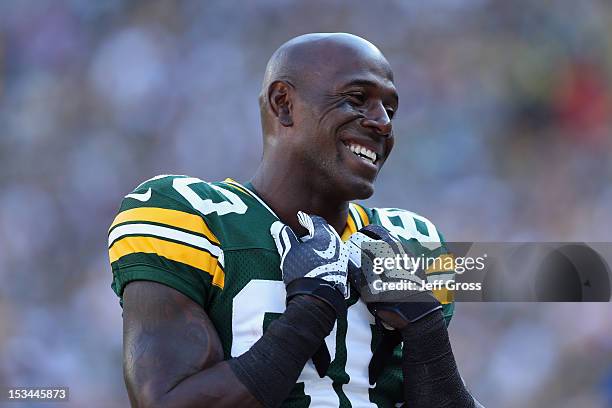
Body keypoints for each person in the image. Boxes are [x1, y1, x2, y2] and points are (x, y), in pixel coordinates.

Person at [108, 33, 481, 407]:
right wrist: (309, 314)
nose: (383, 123)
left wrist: (427, 331)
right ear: (284, 103)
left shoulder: (415, 242)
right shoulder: (188, 215)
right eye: (357, 99)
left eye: (390, 109)